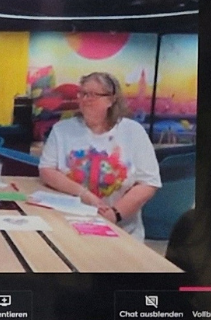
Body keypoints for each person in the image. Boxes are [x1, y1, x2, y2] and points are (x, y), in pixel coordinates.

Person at [38, 71, 161, 241]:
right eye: (83, 93)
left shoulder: (133, 132)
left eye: (94, 95)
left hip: (121, 231)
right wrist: (85, 194)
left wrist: (113, 215)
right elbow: (47, 170)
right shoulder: (62, 129)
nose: (85, 99)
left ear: (111, 100)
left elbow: (149, 183)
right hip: (67, 226)